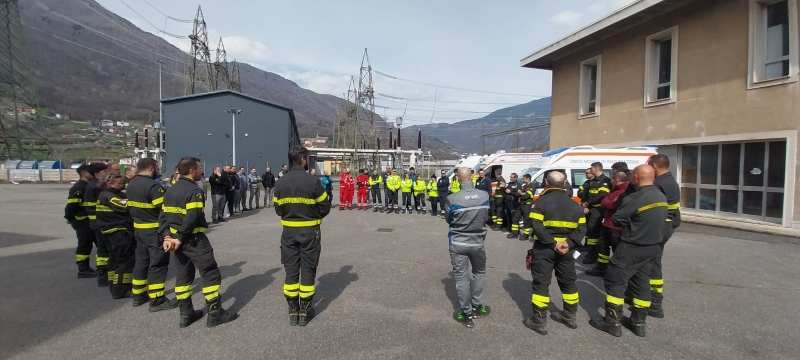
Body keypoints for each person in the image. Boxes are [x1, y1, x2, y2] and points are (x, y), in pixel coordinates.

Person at [160, 157, 238, 328]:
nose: (201, 171)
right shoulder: (194, 191)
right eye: (199, 168)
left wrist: (168, 237)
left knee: (183, 277)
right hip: (193, 241)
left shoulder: (170, 190)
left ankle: (186, 314)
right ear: (191, 170)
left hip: (176, 241)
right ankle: (215, 314)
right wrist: (180, 237)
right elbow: (192, 218)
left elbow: (164, 217)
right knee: (210, 273)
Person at [590, 165, 667, 338]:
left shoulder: (636, 197)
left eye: (632, 175)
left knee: (614, 280)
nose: (630, 177)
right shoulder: (660, 195)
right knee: (641, 283)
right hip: (652, 247)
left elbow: (618, 218)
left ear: (638, 177)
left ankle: (612, 322)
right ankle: (638, 322)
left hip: (632, 245)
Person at [273, 147, 332, 326]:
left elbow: (278, 209)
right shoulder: (313, 182)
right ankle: (305, 311)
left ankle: (293, 310)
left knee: (291, 270)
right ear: (303, 159)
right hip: (310, 232)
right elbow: (325, 206)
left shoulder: (280, 183)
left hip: (288, 233)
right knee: (308, 269)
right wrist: (313, 217)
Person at [524, 170, 585, 335]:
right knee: (568, 282)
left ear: (546, 183)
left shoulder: (540, 202)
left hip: (545, 249)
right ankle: (570, 316)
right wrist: (568, 243)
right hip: (567, 250)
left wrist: (552, 243)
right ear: (564, 184)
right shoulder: (575, 205)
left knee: (541, 283)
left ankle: (539, 321)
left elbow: (536, 225)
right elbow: (581, 229)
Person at [127, 158, 179, 310]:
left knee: (141, 262)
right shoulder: (153, 187)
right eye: (157, 167)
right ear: (151, 167)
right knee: (158, 264)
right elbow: (163, 211)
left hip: (139, 229)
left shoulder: (132, 184)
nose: (158, 169)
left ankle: (138, 295)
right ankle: (157, 299)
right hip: (154, 231)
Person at [446, 167, 491, 328]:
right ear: (471, 177)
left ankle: (466, 312)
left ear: (458, 179)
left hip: (458, 242)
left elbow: (449, 219)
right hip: (477, 241)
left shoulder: (452, 198)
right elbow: (486, 216)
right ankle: (478, 305)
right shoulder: (484, 195)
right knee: (479, 272)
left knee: (461, 277)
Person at [647, 154, 681, 319]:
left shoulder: (659, 184)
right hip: (667, 224)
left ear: (654, 165)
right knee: (652, 261)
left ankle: (655, 303)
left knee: (653, 263)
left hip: (660, 227)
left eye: (648, 165)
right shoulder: (670, 181)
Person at [96, 174, 135, 299]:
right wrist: (138, 199)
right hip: (117, 233)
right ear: (110, 183)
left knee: (114, 262)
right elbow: (122, 205)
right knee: (123, 263)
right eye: (120, 184)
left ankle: (114, 285)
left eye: (123, 184)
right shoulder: (107, 195)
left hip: (113, 233)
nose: (122, 186)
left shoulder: (112, 194)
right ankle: (120, 289)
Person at [586, 171, 631, 278]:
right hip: (608, 225)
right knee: (603, 248)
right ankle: (601, 267)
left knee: (617, 251)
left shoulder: (623, 191)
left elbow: (608, 203)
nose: (611, 181)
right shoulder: (616, 189)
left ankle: (619, 272)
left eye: (612, 179)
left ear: (617, 180)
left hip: (615, 227)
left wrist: (606, 201)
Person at [65, 164, 98, 278]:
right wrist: (69, 218)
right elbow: (72, 206)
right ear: (84, 173)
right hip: (82, 221)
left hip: (88, 221)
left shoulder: (88, 186)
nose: (93, 174)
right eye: (91, 172)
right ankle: (83, 269)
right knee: (84, 245)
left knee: (90, 244)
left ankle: (90, 268)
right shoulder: (79, 187)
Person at [83, 163, 112, 287]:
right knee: (104, 250)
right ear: (97, 173)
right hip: (101, 223)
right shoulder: (96, 187)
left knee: (102, 250)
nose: (106, 174)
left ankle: (103, 275)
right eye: (104, 171)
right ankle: (104, 275)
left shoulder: (93, 185)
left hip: (98, 223)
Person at [582, 162, 612, 264]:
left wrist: (587, 203)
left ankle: (593, 255)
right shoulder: (593, 181)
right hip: (591, 210)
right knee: (590, 232)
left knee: (594, 231)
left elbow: (602, 195)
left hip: (599, 210)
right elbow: (589, 195)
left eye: (591, 168)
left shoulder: (605, 180)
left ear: (596, 168)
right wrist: (587, 206)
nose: (590, 170)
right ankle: (591, 253)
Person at [518, 174, 535, 241]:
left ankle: (526, 235)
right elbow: (521, 194)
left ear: (528, 178)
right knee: (519, 218)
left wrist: (521, 193)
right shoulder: (524, 185)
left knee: (526, 220)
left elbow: (526, 196)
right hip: (522, 204)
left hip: (527, 205)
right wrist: (521, 194)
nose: (523, 180)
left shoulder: (532, 185)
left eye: (524, 178)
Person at [505, 173, 521, 238]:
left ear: (516, 178)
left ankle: (515, 233)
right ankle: (510, 230)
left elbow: (518, 194)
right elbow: (506, 191)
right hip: (508, 203)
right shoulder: (509, 183)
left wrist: (510, 192)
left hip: (514, 204)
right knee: (509, 217)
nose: (510, 178)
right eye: (510, 177)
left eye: (512, 177)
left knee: (514, 218)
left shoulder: (518, 184)